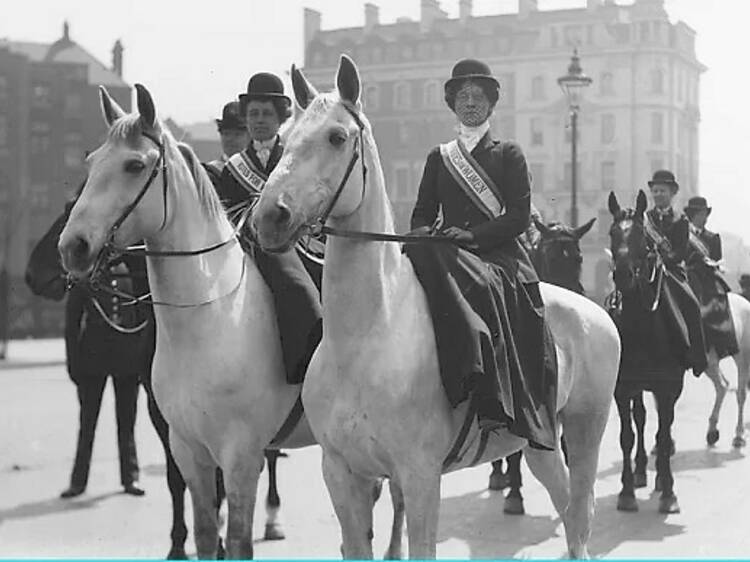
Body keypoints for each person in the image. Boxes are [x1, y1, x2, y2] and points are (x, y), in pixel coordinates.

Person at [405, 59, 558, 451]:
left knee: (479, 284)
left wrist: (472, 235)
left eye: (478, 96)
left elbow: (519, 217)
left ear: (491, 105)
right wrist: (425, 236)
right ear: (451, 104)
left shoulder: (508, 154)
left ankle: (491, 394)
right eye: (462, 96)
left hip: (498, 256)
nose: (469, 102)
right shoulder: (439, 157)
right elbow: (422, 213)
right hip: (447, 251)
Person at [25, 196, 151, 499]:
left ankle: (130, 477)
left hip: (126, 360)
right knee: (87, 424)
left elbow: (140, 314)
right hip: (92, 359)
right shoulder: (87, 273)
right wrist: (73, 364)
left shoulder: (131, 270)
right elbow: (72, 322)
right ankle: (78, 481)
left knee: (127, 421)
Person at [215, 72, 321, 385]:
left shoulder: (294, 159)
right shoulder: (233, 168)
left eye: (266, 114)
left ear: (280, 119)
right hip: (248, 250)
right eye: (253, 115)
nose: (259, 121)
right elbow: (226, 215)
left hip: (296, 245)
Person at [644, 170, 708, 376]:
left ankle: (698, 356)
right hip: (647, 270)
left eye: (662, 190)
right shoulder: (646, 218)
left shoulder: (681, 220)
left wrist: (665, 260)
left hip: (673, 271)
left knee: (691, 303)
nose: (658, 194)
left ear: (672, 193)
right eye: (655, 191)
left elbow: (680, 250)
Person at [683, 196, 738, 359]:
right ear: (693, 215)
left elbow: (717, 258)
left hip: (707, 278)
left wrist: (713, 263)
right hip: (689, 276)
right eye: (701, 214)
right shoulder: (684, 235)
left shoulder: (714, 237)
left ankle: (722, 343)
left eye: (705, 214)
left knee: (718, 304)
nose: (704, 218)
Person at [203, 101, 250, 184]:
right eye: (226, 134)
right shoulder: (210, 173)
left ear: (249, 137)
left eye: (237, 134)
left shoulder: (255, 174)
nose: (230, 139)